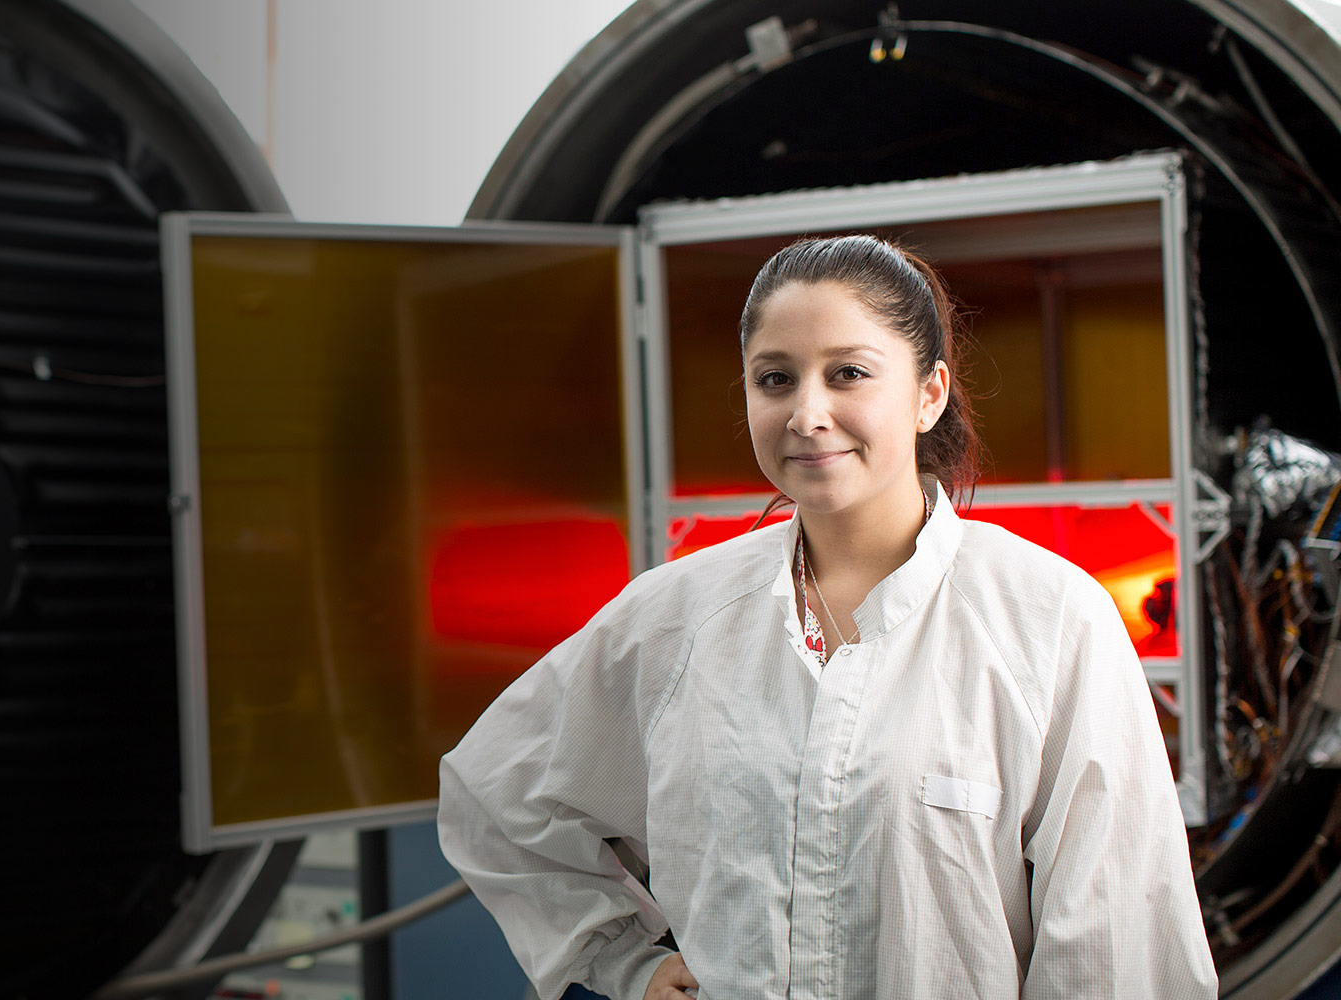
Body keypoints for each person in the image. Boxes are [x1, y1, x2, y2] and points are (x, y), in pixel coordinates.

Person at [436, 234, 1216, 1000]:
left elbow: (1119, 949)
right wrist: (623, 961)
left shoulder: (1048, 619)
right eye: (775, 379)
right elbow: (496, 796)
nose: (808, 413)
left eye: (848, 373)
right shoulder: (675, 618)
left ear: (928, 394)